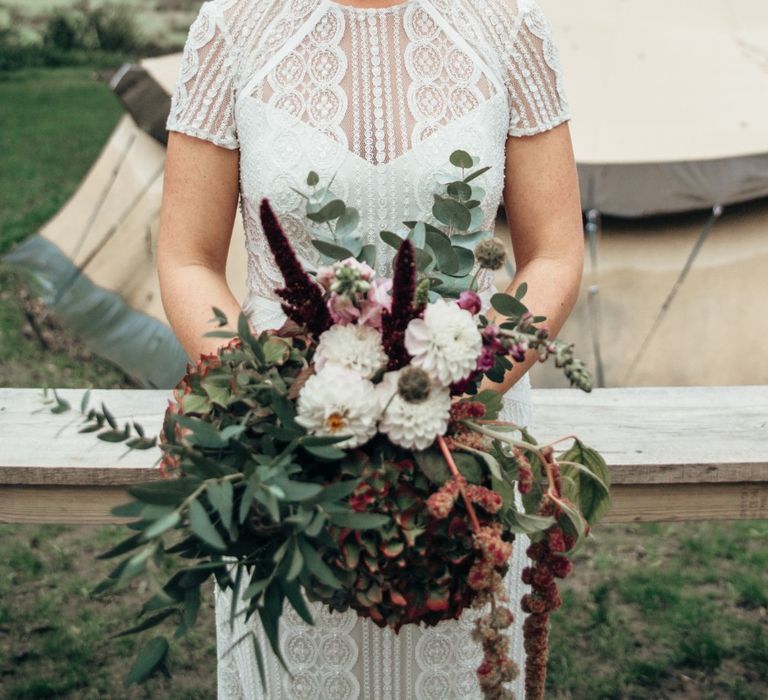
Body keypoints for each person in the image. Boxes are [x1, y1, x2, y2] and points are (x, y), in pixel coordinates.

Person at [157, 0, 583, 697]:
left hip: (463, 448)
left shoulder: (509, 21)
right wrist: (272, 392)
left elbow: (556, 251)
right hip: (292, 446)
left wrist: (461, 395)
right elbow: (185, 258)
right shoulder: (232, 23)